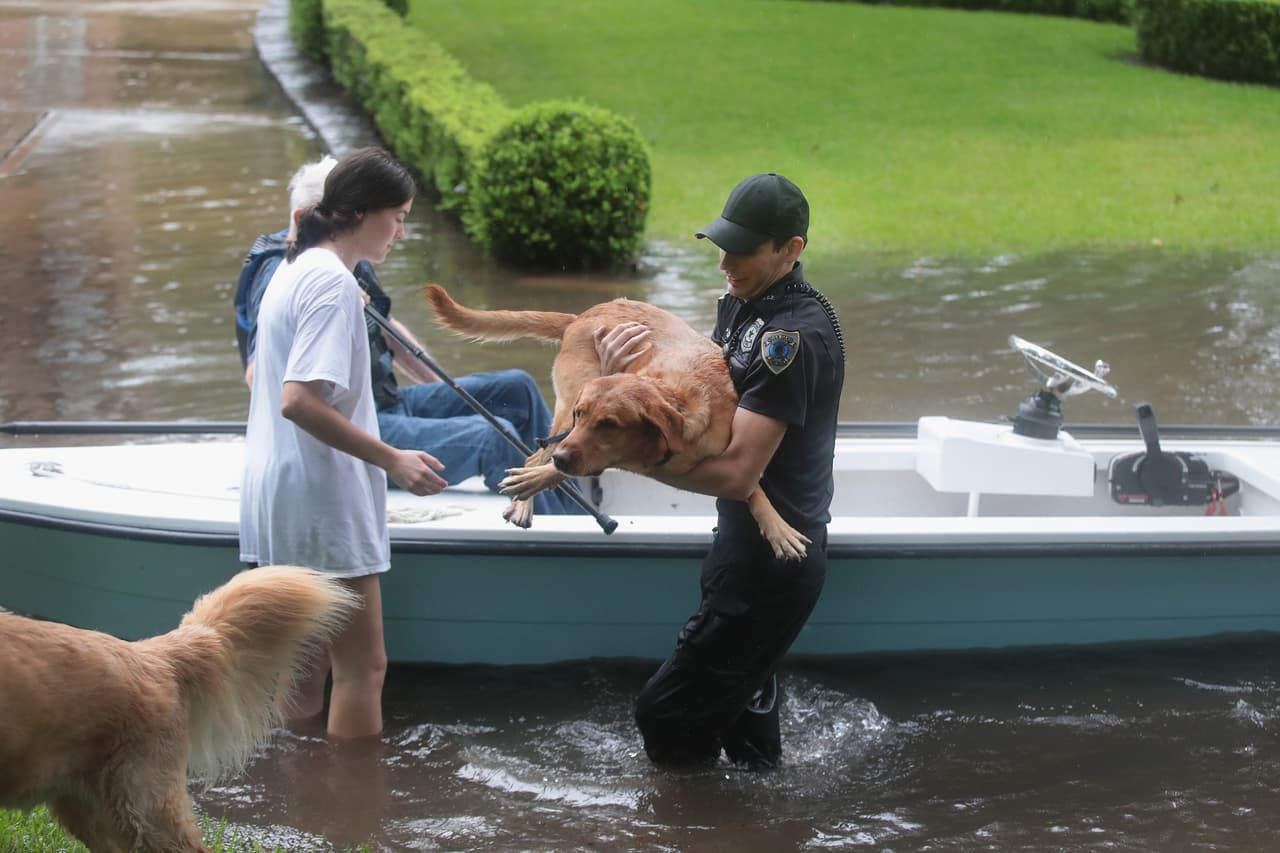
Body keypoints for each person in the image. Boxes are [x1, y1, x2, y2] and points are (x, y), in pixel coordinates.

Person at [595, 172, 846, 768]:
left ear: (792, 250)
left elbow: (735, 471)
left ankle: (695, 829)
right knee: (747, 737)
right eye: (723, 245)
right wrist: (616, 378)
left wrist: (627, 455)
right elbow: (697, 412)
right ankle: (752, 824)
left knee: (666, 714)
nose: (727, 262)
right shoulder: (743, 306)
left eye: (745, 249)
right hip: (739, 548)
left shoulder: (792, 339)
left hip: (770, 569)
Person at [239, 146, 449, 739]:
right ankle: (355, 822)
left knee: (302, 672)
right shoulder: (329, 284)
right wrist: (395, 459)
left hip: (281, 493)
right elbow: (299, 399)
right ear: (360, 213)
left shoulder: (295, 268)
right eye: (398, 216)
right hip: (323, 500)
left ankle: (295, 802)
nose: (401, 233)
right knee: (363, 669)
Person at [234, 156, 579, 516]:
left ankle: (567, 487)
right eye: (397, 219)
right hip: (357, 422)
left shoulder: (349, 255)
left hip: (387, 400)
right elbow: (264, 378)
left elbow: (387, 330)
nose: (400, 233)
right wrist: (388, 456)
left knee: (516, 388)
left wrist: (449, 396)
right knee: (493, 435)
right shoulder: (293, 273)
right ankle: (571, 529)